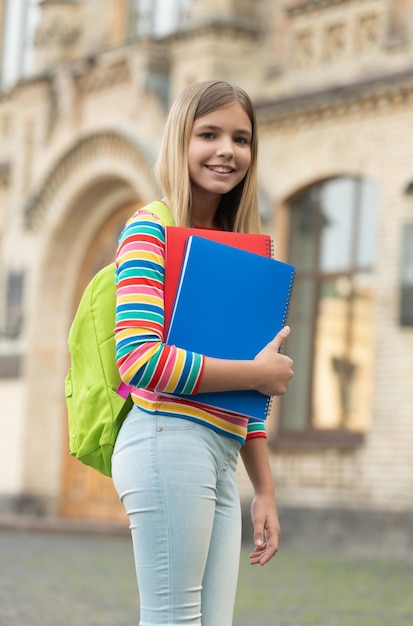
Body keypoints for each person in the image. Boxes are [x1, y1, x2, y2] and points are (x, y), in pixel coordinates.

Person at [111, 80, 294, 626]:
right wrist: (258, 371)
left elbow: (244, 392)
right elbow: (140, 361)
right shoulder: (151, 228)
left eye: (241, 138)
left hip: (218, 452)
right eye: (208, 134)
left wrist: (263, 488)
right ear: (178, 142)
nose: (226, 150)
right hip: (166, 439)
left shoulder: (240, 245)